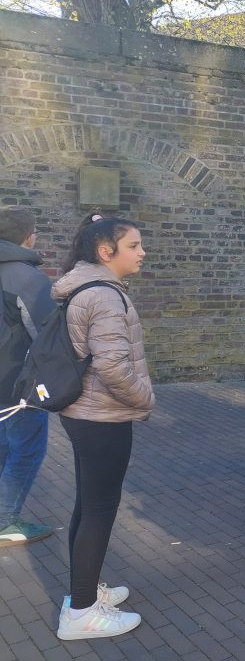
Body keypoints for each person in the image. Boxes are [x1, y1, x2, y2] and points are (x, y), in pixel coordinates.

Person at [53, 217, 155, 641]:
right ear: (105, 252)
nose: (142, 252)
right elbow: (111, 364)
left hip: (85, 413)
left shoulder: (84, 287)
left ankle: (84, 592)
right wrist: (145, 398)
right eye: (134, 245)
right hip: (102, 416)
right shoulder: (105, 296)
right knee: (98, 509)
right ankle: (80, 613)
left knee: (88, 504)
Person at [0, 207, 57, 547]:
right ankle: (6, 520)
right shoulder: (28, 278)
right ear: (29, 236)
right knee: (26, 450)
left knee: (4, 447)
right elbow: (46, 338)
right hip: (17, 385)